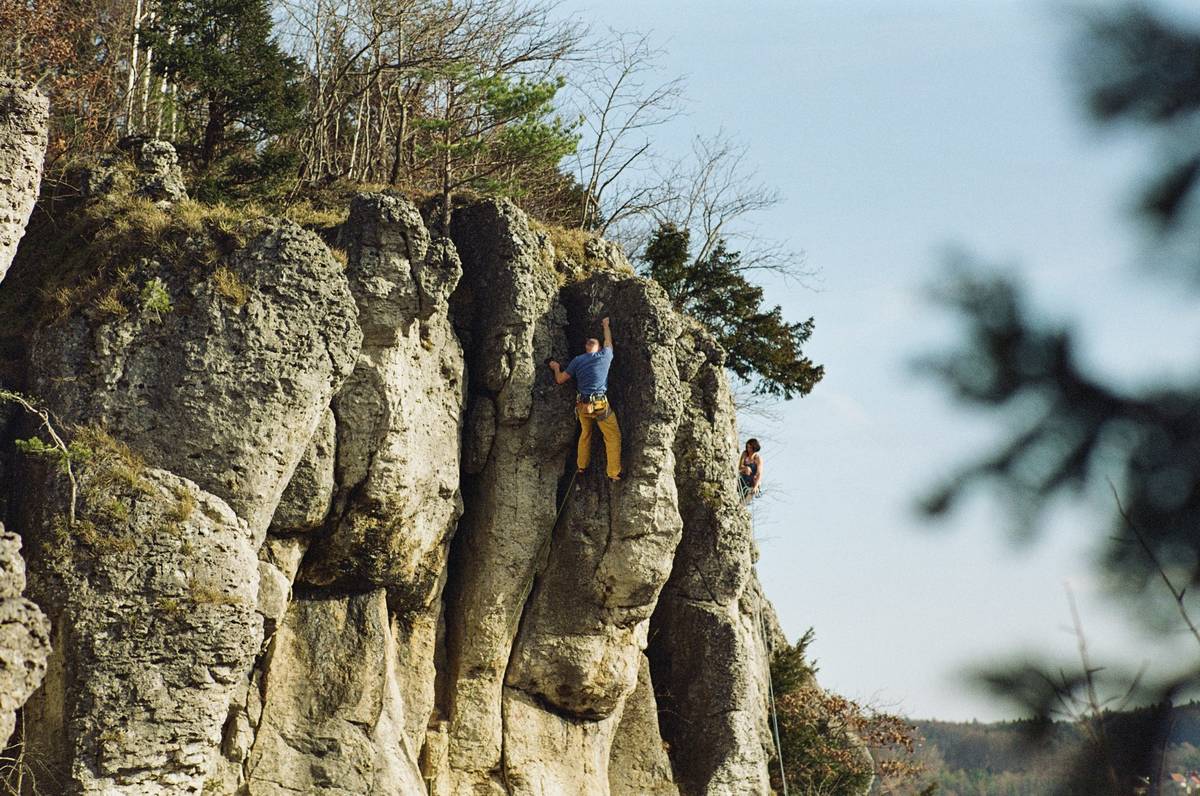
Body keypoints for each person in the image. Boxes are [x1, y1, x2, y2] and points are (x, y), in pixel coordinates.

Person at [547, 317, 623, 481]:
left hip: (583, 406)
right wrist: (606, 326)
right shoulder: (604, 356)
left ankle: (581, 466)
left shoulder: (577, 360)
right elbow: (608, 340)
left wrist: (555, 367)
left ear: (586, 347)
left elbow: (560, 380)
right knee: (612, 436)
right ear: (599, 348)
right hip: (600, 405)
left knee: (586, 433)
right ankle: (613, 473)